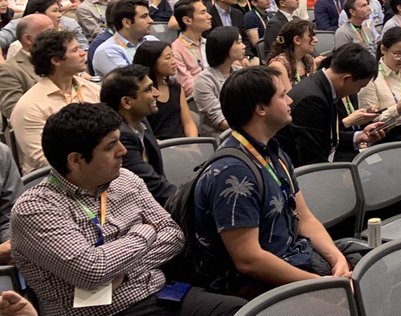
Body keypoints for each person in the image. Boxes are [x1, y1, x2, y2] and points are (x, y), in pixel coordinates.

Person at [11, 103, 244, 315]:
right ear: (76, 160)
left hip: (159, 293)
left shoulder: (125, 179)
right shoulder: (36, 208)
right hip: (104, 312)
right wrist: (143, 232)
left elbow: (173, 235)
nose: (123, 151)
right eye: (111, 145)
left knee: (241, 310)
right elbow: (92, 270)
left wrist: (124, 271)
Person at [192, 66, 353, 298]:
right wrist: (320, 284)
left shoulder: (273, 152)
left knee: (366, 275)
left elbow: (304, 218)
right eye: (281, 95)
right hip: (255, 284)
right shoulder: (232, 173)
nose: (290, 100)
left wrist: (337, 259)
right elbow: (249, 261)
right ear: (260, 109)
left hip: (294, 258)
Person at [278, 44, 386, 166]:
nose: (358, 91)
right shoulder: (312, 100)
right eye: (360, 86)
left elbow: (324, 137)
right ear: (346, 79)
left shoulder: (324, 84)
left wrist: (358, 136)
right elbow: (311, 157)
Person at [12, 30, 99, 173]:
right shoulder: (29, 106)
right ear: (56, 60)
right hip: (53, 179)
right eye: (75, 50)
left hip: (100, 168)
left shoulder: (92, 89)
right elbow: (41, 159)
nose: (83, 53)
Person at [100, 64, 178, 204]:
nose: (157, 93)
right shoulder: (119, 136)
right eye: (148, 90)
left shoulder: (141, 120)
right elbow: (153, 187)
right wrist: (189, 201)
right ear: (127, 102)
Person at [134, 41, 199, 140]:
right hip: (160, 147)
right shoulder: (140, 93)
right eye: (168, 58)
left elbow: (188, 123)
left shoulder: (175, 87)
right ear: (152, 62)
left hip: (183, 144)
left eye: (173, 56)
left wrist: (193, 143)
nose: (174, 61)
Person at [0, 14, 54, 121]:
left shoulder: (61, 59)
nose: (55, 37)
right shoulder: (9, 69)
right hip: (39, 126)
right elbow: (13, 110)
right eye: (49, 33)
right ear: (28, 39)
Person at [194, 26, 245, 136]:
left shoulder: (240, 72)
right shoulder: (204, 80)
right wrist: (249, 131)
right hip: (219, 138)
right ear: (225, 47)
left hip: (243, 131)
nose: (244, 46)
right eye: (239, 42)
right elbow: (219, 120)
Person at [92, 0, 158, 77]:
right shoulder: (108, 51)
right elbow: (133, 83)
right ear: (127, 22)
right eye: (144, 17)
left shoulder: (152, 40)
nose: (151, 21)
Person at [171, 0, 212, 97]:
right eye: (203, 12)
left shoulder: (210, 43)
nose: (209, 16)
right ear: (187, 20)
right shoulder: (175, 50)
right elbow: (188, 88)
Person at [268, 19, 320, 85]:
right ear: (297, 40)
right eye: (311, 36)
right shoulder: (278, 65)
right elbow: (289, 95)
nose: (316, 40)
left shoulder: (309, 60)